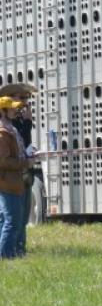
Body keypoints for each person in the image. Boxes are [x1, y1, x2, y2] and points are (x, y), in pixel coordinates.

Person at [2, 83, 38, 256]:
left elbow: (25, 142)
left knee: (20, 217)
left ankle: (18, 250)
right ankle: (10, 253)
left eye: (27, 99)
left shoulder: (19, 122)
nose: (25, 103)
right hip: (11, 176)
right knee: (12, 218)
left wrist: (28, 121)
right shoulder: (7, 126)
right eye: (21, 98)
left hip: (21, 173)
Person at [0, 96, 29, 259]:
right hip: (7, 183)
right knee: (12, 222)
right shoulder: (2, 134)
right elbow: (3, 161)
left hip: (14, 182)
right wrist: (25, 162)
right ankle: (6, 257)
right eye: (11, 108)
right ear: (3, 112)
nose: (14, 110)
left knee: (7, 221)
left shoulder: (11, 129)